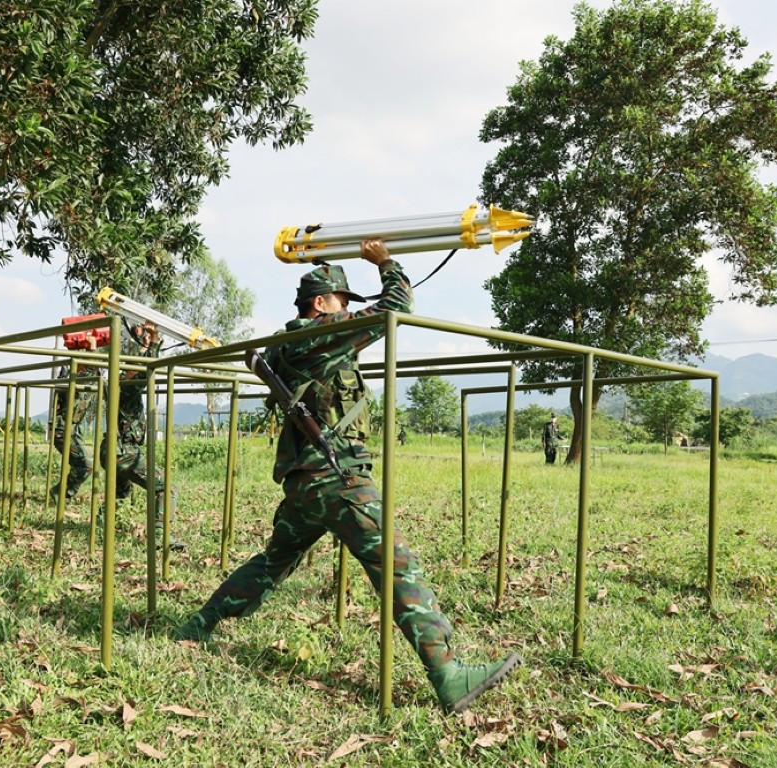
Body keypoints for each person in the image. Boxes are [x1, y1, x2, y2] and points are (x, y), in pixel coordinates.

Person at [173, 240, 521, 714]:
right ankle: (448, 674)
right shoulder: (324, 333)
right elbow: (397, 305)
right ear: (322, 304)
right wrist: (383, 263)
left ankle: (200, 624)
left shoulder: (282, 347)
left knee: (274, 561)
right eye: (341, 301)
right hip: (338, 479)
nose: (345, 310)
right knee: (396, 566)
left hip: (304, 482)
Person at [99, 321, 184, 552]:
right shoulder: (125, 386)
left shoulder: (119, 384)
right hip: (123, 452)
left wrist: (148, 342)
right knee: (166, 487)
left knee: (121, 491)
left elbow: (142, 365)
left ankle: (101, 523)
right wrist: (153, 342)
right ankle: (159, 535)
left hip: (114, 450)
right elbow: (146, 369)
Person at [49, 366, 93, 503]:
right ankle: (62, 494)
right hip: (63, 431)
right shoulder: (72, 378)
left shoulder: (80, 378)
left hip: (71, 431)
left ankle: (63, 493)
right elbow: (88, 371)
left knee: (84, 464)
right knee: (86, 464)